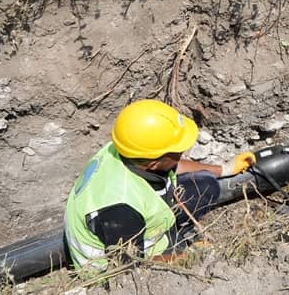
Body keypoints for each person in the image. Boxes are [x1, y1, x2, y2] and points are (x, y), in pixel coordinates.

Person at [64, 99, 255, 269]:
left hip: (140, 220)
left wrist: (224, 169)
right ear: (154, 163)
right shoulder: (120, 210)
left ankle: (174, 235)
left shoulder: (127, 149)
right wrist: (191, 257)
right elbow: (129, 269)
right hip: (119, 268)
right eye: (178, 151)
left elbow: (173, 164)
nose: (183, 153)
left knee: (206, 185)